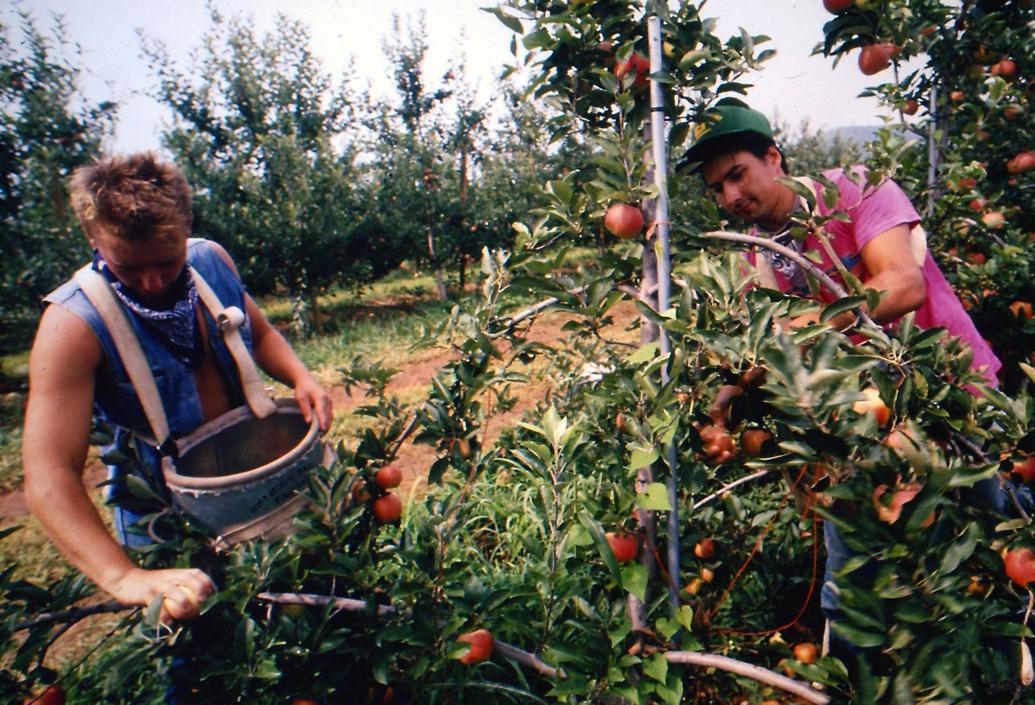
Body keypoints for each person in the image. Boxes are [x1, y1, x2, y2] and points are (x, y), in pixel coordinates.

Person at [680, 99, 1019, 661]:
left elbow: (903, 285)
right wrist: (730, 396)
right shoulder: (752, 263)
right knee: (853, 560)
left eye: (737, 175)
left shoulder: (857, 191)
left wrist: (800, 325)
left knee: (997, 518)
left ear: (774, 157)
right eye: (717, 189)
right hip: (861, 426)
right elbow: (766, 355)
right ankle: (860, 674)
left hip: (949, 393)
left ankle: (1000, 656)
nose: (731, 197)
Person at [21, 152, 333, 625]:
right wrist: (126, 578)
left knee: (310, 611)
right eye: (127, 267)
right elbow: (48, 478)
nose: (150, 282)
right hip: (167, 519)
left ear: (186, 226)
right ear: (93, 239)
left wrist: (301, 377)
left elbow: (262, 333)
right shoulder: (72, 326)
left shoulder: (210, 261)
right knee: (202, 653)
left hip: (259, 481)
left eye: (167, 263)